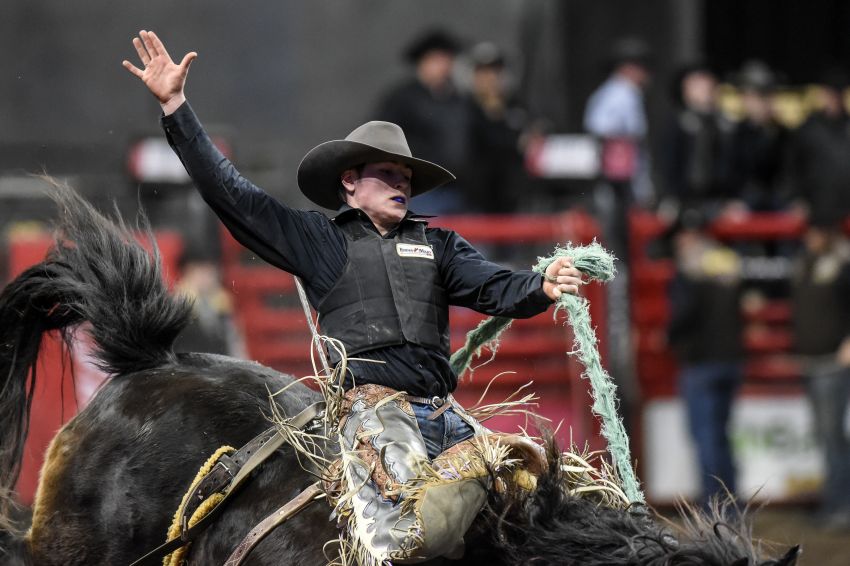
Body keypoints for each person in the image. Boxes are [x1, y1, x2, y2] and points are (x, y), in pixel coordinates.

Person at [123, 30, 583, 564]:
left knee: (542, 502)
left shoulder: (438, 244)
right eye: (386, 172)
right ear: (349, 182)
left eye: (406, 176)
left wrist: (541, 285)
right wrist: (176, 107)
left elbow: (494, 285)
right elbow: (234, 195)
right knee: (409, 538)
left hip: (444, 414)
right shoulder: (322, 242)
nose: (401, 183)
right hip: (374, 417)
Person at [665, 209, 744, 509]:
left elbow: (684, 316)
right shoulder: (728, 263)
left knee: (706, 439)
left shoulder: (689, 272)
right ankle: (733, 503)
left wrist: (669, 337)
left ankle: (713, 506)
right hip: (731, 360)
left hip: (701, 363)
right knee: (722, 437)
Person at [789, 217, 850, 530]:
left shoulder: (841, 264)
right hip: (812, 360)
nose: (812, 236)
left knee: (833, 436)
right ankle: (834, 503)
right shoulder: (806, 264)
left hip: (831, 362)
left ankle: (841, 506)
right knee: (826, 436)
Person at [373, 28, 472, 214]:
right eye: (438, 59)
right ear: (423, 62)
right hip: (419, 190)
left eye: (447, 59)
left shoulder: (458, 100)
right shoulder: (403, 98)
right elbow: (381, 140)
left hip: (457, 191)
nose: (444, 65)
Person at [660, 64, 737, 218]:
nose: (705, 91)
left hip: (717, 201)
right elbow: (666, 164)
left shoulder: (725, 125)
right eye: (698, 85)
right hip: (684, 201)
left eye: (709, 85)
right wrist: (669, 198)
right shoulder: (677, 124)